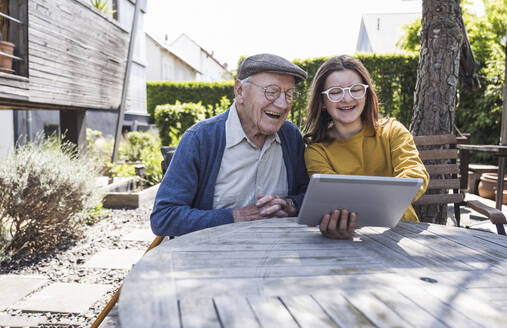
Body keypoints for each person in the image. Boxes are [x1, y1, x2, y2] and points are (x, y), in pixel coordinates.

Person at [151, 54, 309, 236]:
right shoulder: (200, 139)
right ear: (240, 91)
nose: (282, 104)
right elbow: (164, 217)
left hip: (276, 255)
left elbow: (307, 195)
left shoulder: (291, 136)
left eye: (289, 94)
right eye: (271, 91)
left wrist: (291, 205)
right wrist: (235, 217)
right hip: (213, 258)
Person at [303, 55, 429, 239]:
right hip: (346, 237)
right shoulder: (316, 151)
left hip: (402, 233)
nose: (347, 99)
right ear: (322, 102)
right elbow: (332, 199)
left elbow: (415, 173)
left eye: (355, 89)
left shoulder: (392, 131)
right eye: (335, 92)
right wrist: (388, 198)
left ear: (366, 94)